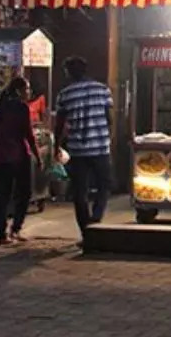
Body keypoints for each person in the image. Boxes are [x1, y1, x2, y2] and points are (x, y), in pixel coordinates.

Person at [54, 56, 114, 236]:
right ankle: (95, 219)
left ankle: (85, 229)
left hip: (78, 150)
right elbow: (110, 118)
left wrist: (56, 146)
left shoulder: (65, 94)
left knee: (80, 191)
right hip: (101, 147)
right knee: (104, 185)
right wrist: (107, 137)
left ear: (69, 72)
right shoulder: (102, 90)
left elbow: (59, 125)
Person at [0, 77, 42, 245]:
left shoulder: (1, 108)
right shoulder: (22, 108)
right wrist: (38, 156)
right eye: (27, 89)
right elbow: (28, 134)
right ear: (19, 90)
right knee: (24, 194)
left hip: (2, 156)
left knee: (3, 196)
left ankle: (1, 234)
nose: (29, 92)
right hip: (19, 155)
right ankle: (15, 229)